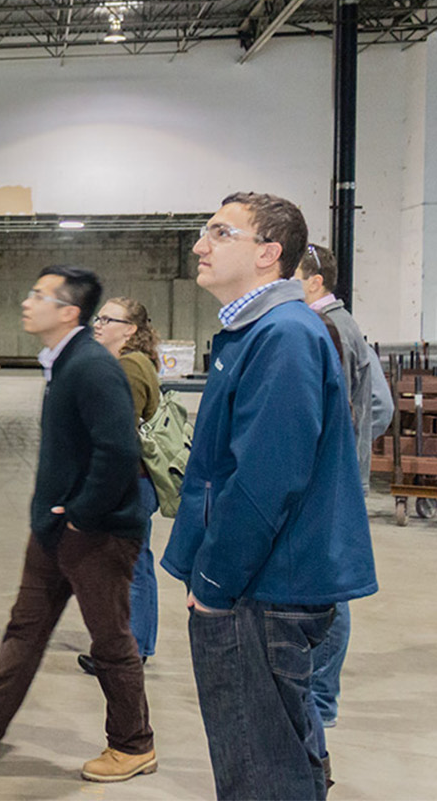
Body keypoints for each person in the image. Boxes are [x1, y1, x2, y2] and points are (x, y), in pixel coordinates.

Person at [162, 193, 377, 801]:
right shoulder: (258, 330)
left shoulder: (281, 335)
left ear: (268, 253)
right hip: (261, 583)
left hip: (262, 590)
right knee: (284, 752)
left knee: (259, 770)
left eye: (220, 233)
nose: (201, 245)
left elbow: (263, 481)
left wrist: (213, 585)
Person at [0, 266, 155, 784]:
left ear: (68, 311)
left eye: (39, 294)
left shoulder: (92, 367)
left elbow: (118, 452)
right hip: (57, 528)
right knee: (25, 628)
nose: (27, 301)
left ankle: (133, 745)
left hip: (97, 532)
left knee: (110, 640)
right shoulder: (64, 362)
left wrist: (84, 513)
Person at [293, 243, 395, 784]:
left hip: (333, 478)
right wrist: (356, 444)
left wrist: (342, 445)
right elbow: (379, 404)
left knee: (330, 588)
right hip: (346, 473)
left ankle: (321, 696)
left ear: (312, 281)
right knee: (332, 582)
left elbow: (360, 407)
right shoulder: (347, 325)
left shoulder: (327, 329)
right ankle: (322, 695)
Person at [78, 297, 161, 675]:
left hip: (127, 482)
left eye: (108, 319)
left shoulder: (128, 367)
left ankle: (131, 649)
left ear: (130, 330)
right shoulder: (126, 363)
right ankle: (131, 645)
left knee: (130, 566)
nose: (98, 324)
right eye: (99, 317)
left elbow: (116, 433)